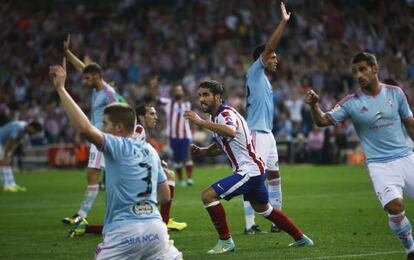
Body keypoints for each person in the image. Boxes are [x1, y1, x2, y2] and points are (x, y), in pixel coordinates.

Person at [49, 58, 182, 259]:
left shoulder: (116, 145)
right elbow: (164, 196)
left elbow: (84, 127)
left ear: (119, 127)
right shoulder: (151, 150)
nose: (102, 128)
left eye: (105, 123)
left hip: (123, 234)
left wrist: (61, 89)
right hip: (156, 231)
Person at [304, 52, 414, 259]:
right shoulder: (350, 102)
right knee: (395, 207)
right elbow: (322, 121)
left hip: (406, 158)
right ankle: (410, 248)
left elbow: (410, 123)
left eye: (363, 69)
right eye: (355, 71)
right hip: (379, 165)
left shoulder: (396, 93)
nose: (359, 75)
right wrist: (313, 105)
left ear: (375, 69)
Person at [184, 80, 313, 254]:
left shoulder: (225, 114)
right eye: (199, 95)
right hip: (254, 170)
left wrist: (200, 123)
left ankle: (225, 242)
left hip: (249, 171)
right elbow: (222, 146)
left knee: (208, 196)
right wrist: (202, 152)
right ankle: (301, 238)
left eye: (206, 94)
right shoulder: (215, 117)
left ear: (217, 97)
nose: (201, 99)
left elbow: (230, 131)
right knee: (263, 208)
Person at [68, 104, 187, 237]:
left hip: (116, 160)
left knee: (129, 217)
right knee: (168, 177)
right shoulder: (138, 129)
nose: (156, 117)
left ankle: (86, 226)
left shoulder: (138, 130)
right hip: (121, 164)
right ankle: (164, 221)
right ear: (141, 117)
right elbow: (131, 151)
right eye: (151, 114)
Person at [62, 35, 123, 225]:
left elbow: (120, 112)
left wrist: (112, 136)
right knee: (105, 176)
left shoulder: (108, 92)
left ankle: (81, 215)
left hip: (103, 138)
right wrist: (68, 54)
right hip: (97, 137)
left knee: (93, 174)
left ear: (97, 76)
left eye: (88, 78)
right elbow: (84, 68)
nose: (85, 81)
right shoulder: (96, 88)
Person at [242, 1, 290, 234]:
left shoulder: (265, 80)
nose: (275, 60)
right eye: (272, 57)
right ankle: (250, 224)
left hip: (267, 134)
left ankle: (276, 222)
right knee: (252, 177)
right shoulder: (254, 72)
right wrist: (283, 23)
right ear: (263, 57)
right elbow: (270, 47)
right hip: (256, 133)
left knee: (274, 177)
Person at [150, 77, 194, 187]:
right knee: (177, 159)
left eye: (180, 90)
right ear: (173, 93)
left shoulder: (187, 104)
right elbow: (156, 99)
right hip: (173, 136)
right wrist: (154, 87)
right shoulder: (168, 103)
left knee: (187, 157)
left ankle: (189, 178)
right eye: (176, 90)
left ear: (183, 92)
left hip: (185, 135)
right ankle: (181, 180)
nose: (178, 92)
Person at [0, 120, 42, 192]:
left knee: (6, 163)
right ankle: (6, 185)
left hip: (2, 142)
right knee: (3, 162)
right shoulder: (19, 127)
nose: (33, 133)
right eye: (34, 131)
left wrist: (10, 155)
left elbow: (16, 144)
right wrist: (6, 154)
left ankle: (11, 184)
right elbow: (10, 141)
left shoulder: (25, 132)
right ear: (31, 127)